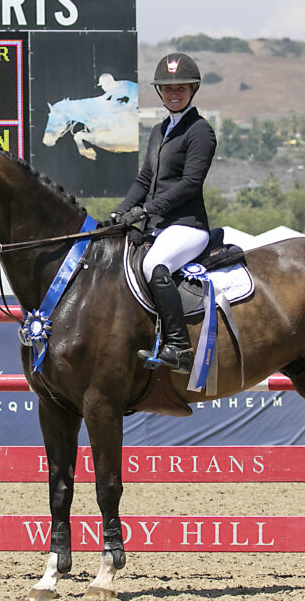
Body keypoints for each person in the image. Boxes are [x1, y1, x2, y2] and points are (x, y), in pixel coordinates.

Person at [111, 52, 216, 373]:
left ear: (193, 90)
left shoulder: (201, 131)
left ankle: (179, 347)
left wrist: (145, 211)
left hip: (187, 226)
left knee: (156, 265)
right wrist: (121, 213)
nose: (174, 93)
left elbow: (189, 184)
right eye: (168, 89)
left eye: (181, 88)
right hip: (157, 225)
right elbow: (145, 179)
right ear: (159, 92)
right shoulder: (159, 130)